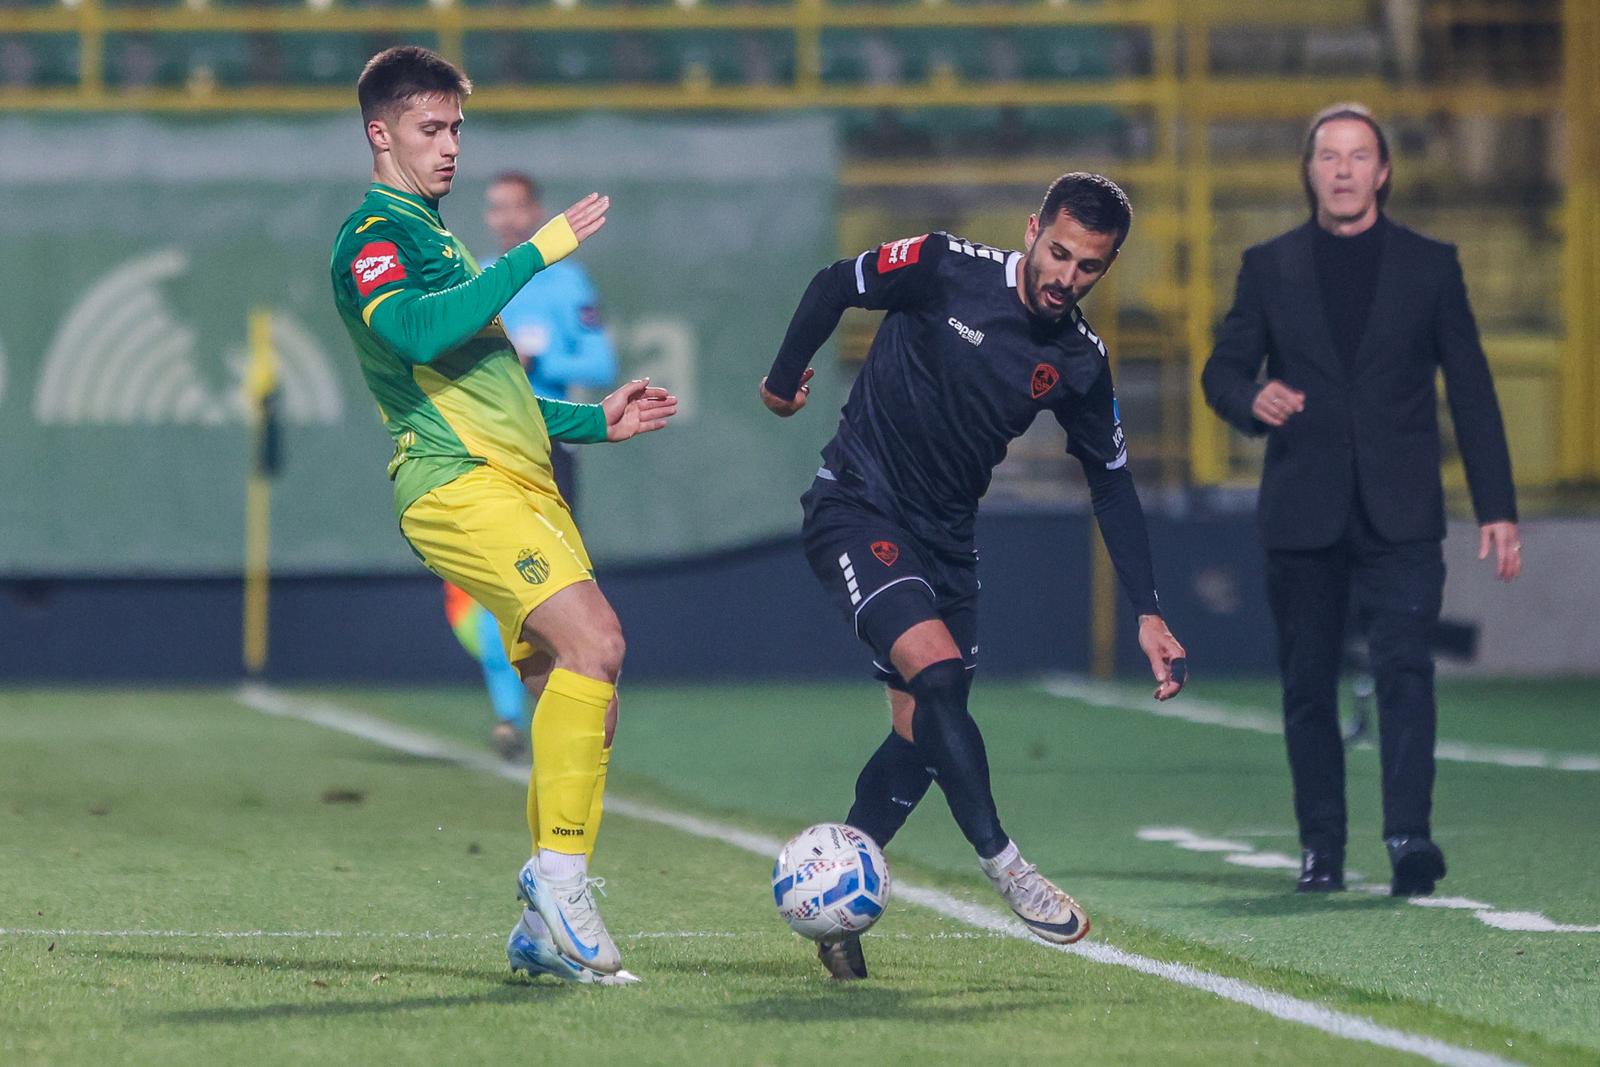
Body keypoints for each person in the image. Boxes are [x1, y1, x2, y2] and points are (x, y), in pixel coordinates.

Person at [761, 173, 1188, 980]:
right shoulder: (940, 264)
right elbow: (833, 285)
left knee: (921, 737)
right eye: (1058, 251)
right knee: (941, 676)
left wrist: (1148, 610)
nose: (1066, 275)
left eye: (1089, 266)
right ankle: (1007, 865)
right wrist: (783, 383)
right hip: (857, 505)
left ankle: (836, 903)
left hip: (948, 544)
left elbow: (1111, 480)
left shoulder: (1079, 361)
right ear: (1033, 229)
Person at [329, 45, 677, 984]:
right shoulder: (371, 235)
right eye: (429, 130)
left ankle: (538, 920)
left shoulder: (441, 240)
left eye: (456, 130)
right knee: (597, 642)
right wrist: (536, 250)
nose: (449, 149)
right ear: (381, 133)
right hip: (455, 483)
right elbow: (414, 332)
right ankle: (564, 883)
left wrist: (592, 421)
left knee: (581, 699)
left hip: (522, 478)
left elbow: (495, 390)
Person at [1201, 103, 1521, 899]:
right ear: (1309, 171)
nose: (1342, 169)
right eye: (1328, 155)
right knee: (1308, 684)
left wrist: (1498, 507)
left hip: (1403, 512)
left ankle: (1410, 838)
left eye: (1358, 156)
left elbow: (1472, 391)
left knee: (1406, 672)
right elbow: (1222, 371)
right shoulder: (1268, 266)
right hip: (1302, 514)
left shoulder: (1431, 265)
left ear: (1383, 171)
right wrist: (1253, 398)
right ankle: (1323, 849)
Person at [440, 173, 622, 763]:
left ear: (537, 212)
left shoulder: (566, 282)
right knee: (496, 594)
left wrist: (539, 353)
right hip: (486, 453)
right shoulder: (477, 279)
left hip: (548, 454)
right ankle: (507, 717)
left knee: (555, 590)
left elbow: (600, 358)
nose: (507, 218)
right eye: (496, 208)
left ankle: (561, 708)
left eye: (518, 207)